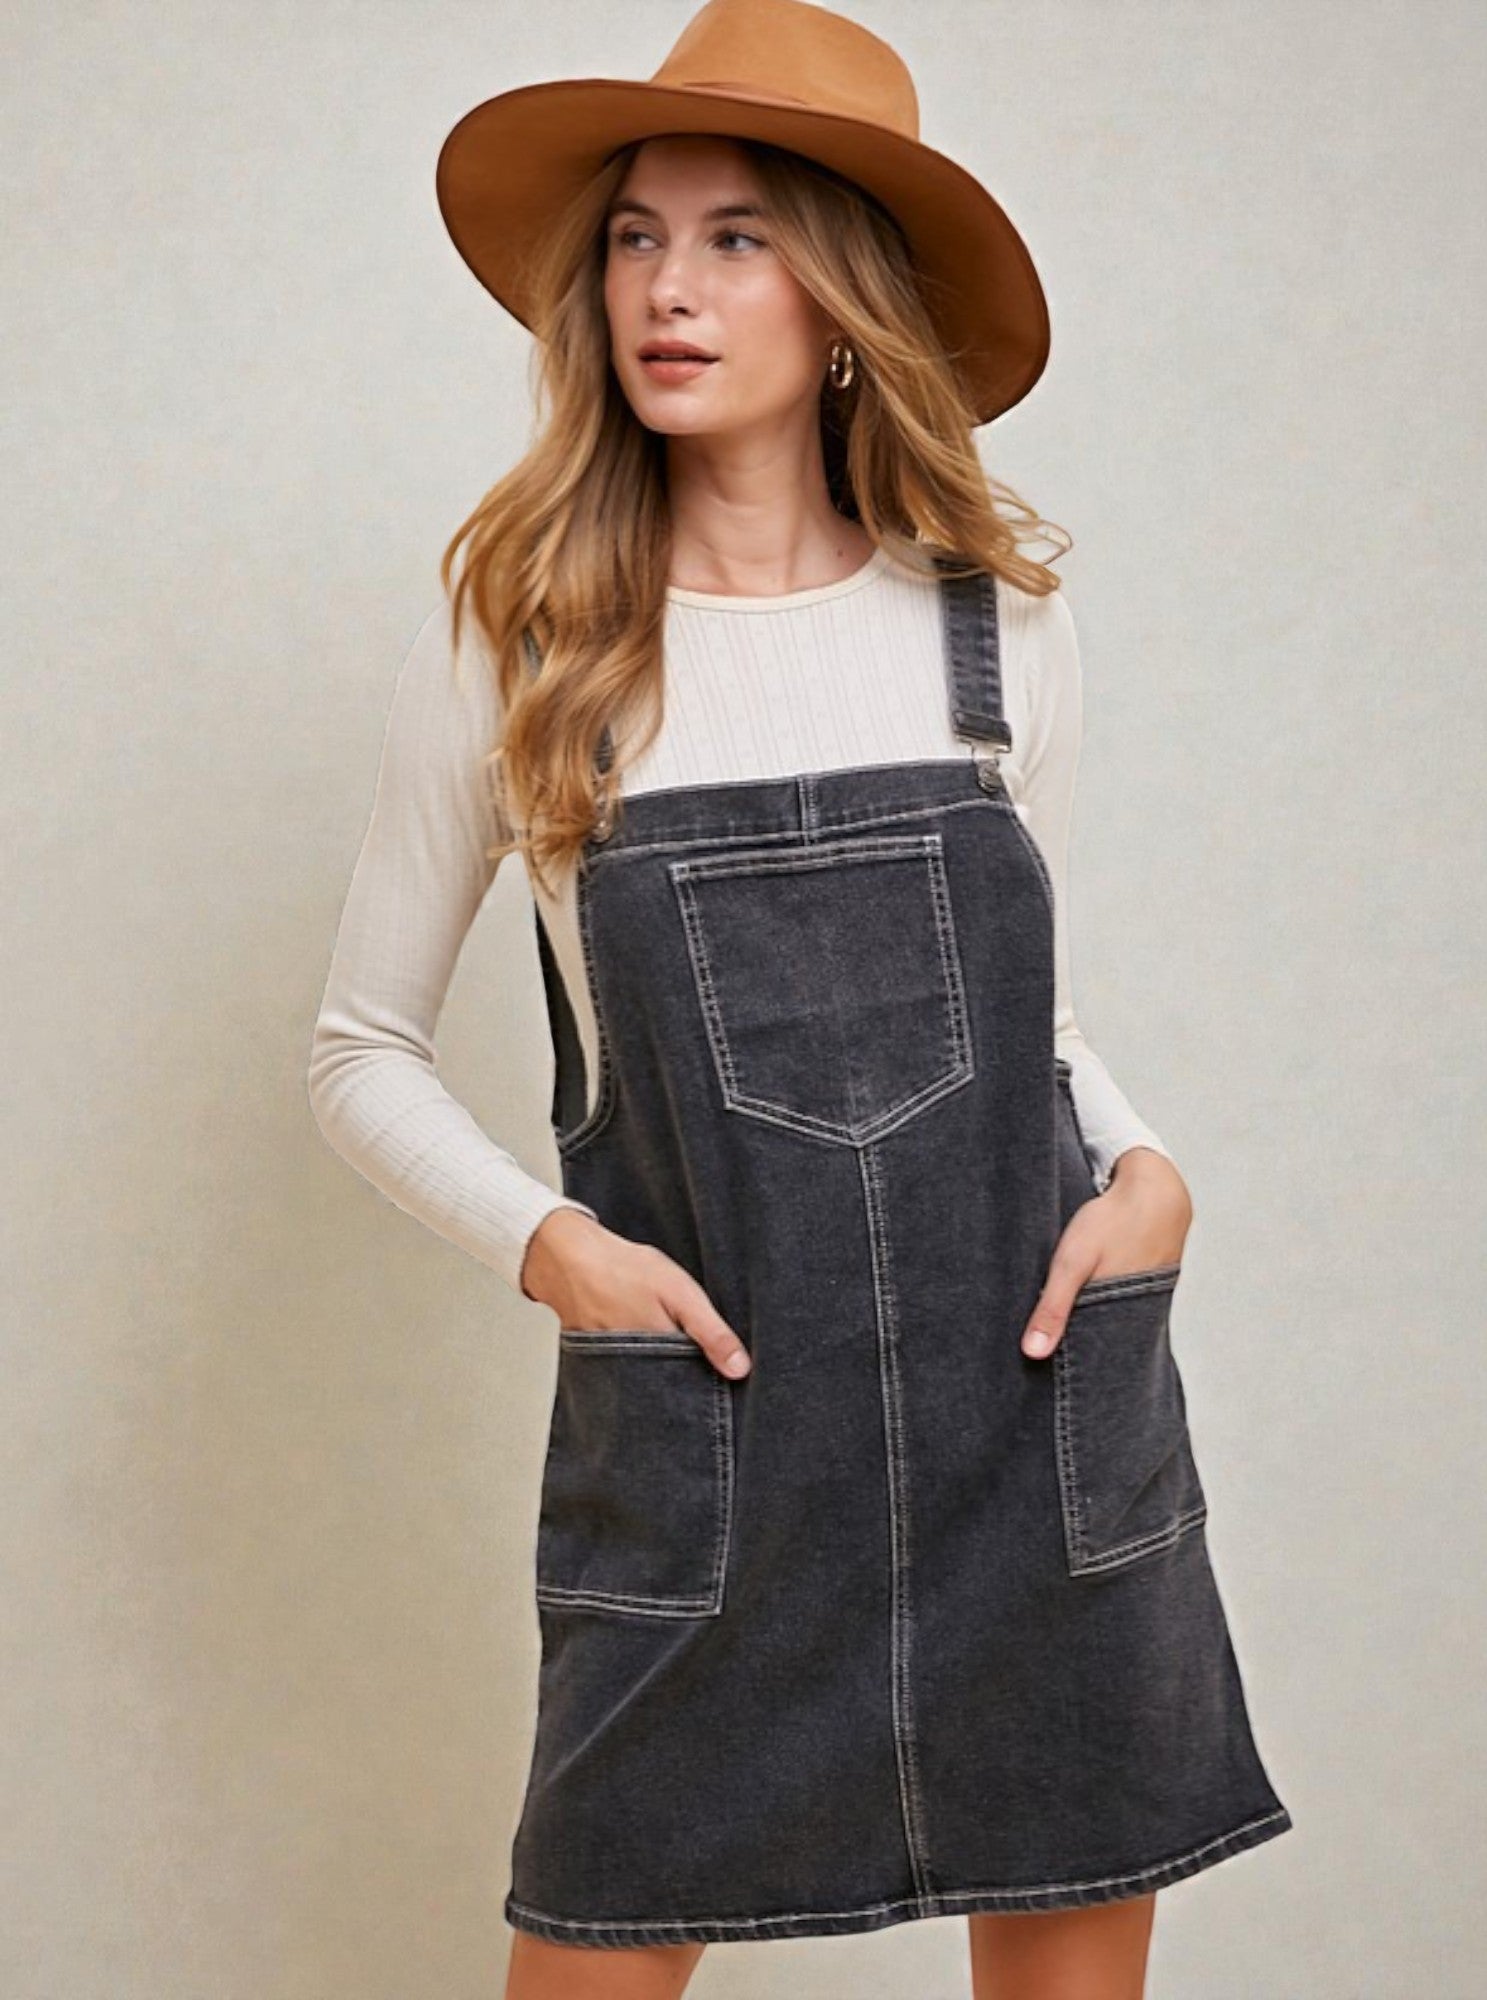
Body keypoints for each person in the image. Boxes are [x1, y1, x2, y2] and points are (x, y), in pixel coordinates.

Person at [307, 3, 1293, 1994]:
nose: (668, 289)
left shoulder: (990, 619)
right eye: (634, 237)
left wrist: (1152, 1169)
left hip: (1036, 1416)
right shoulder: (517, 634)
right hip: (718, 1450)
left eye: (738, 236)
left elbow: (1033, 1019)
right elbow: (356, 1053)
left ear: (842, 298)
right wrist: (556, 1249)